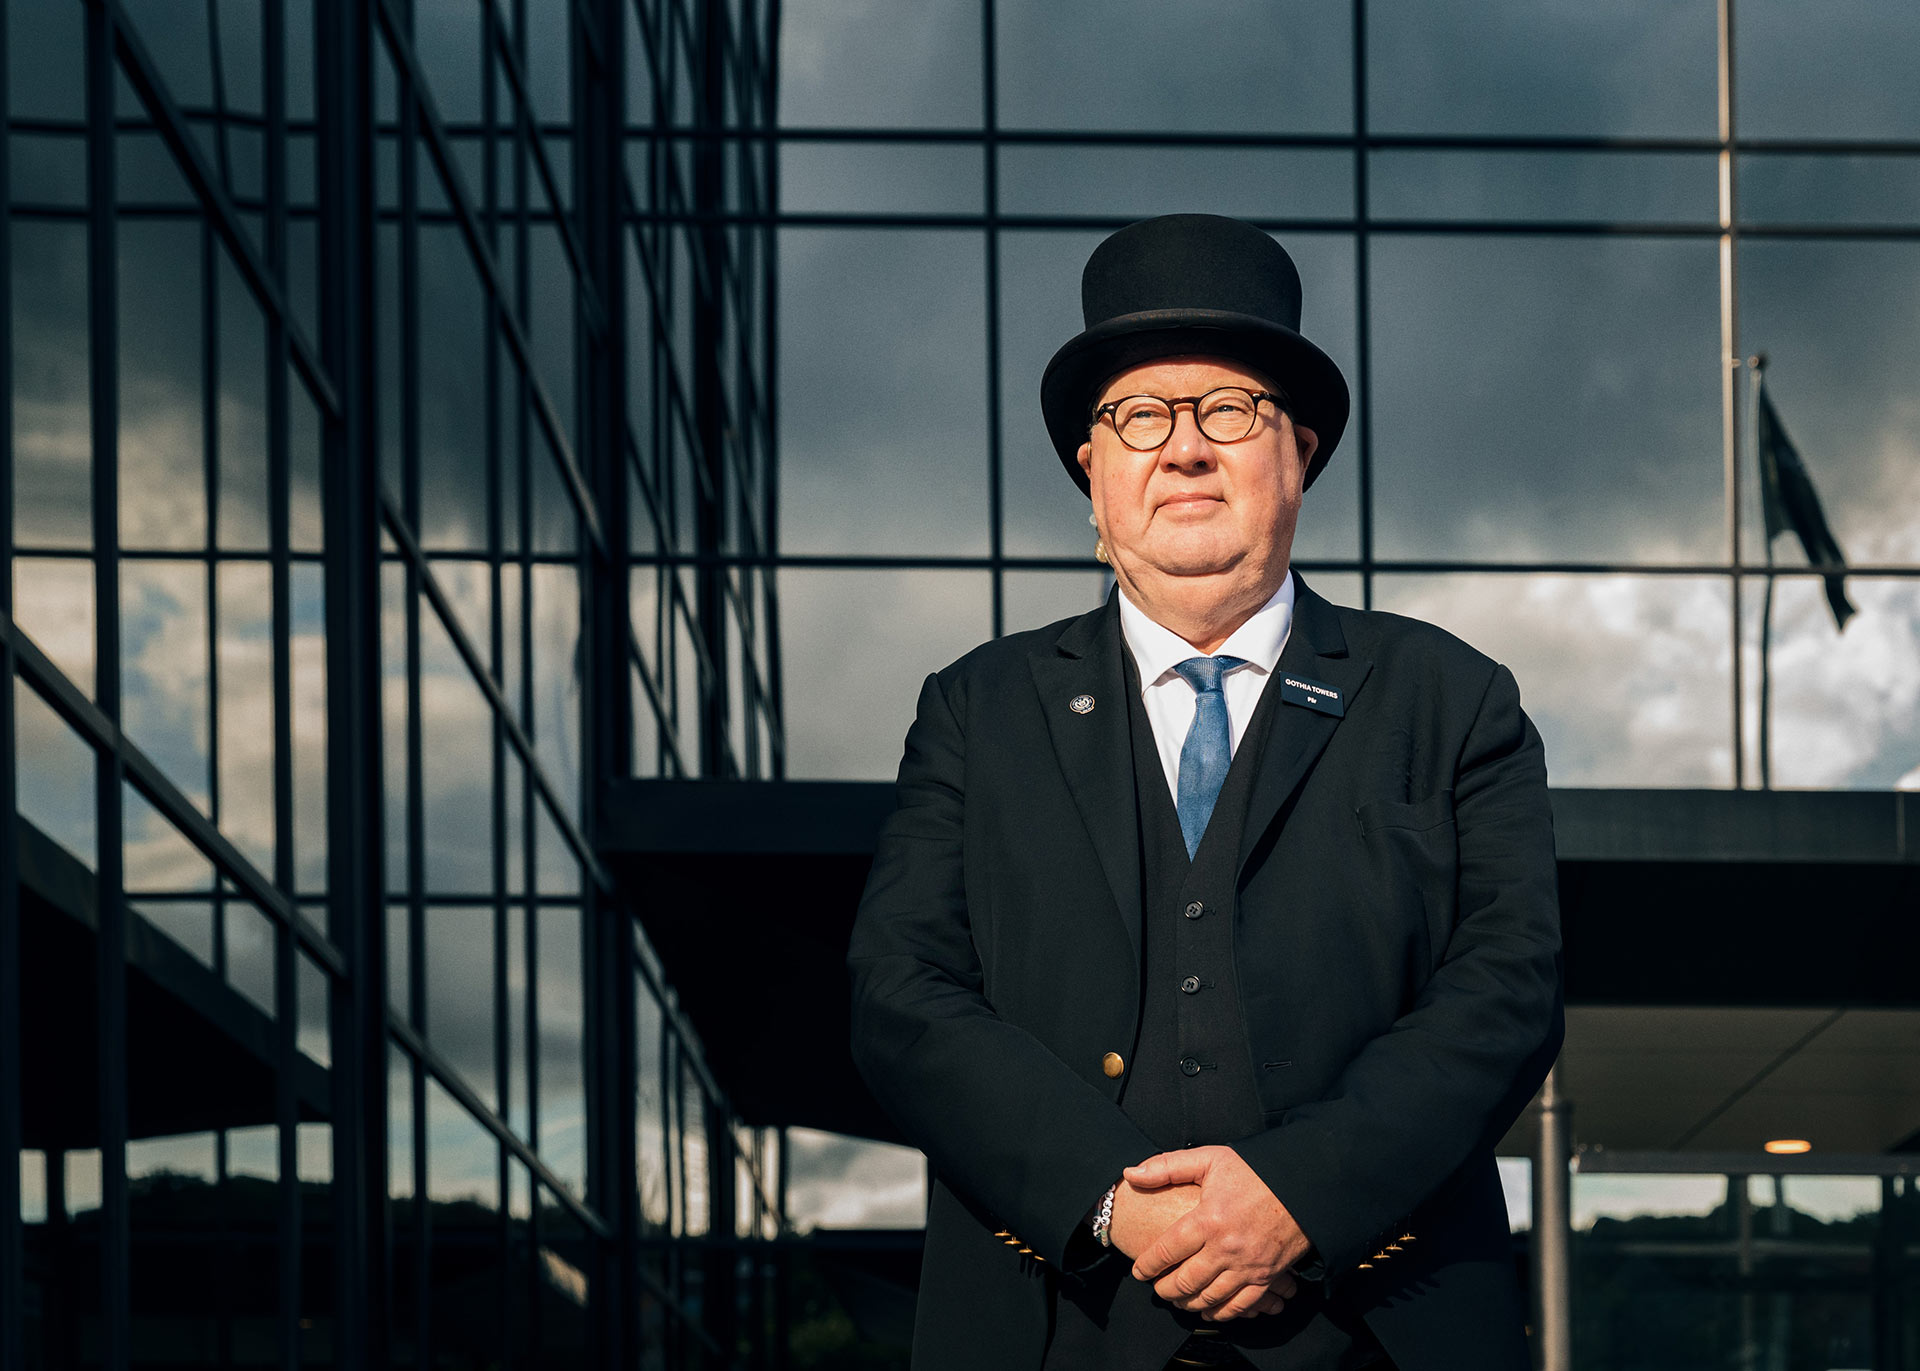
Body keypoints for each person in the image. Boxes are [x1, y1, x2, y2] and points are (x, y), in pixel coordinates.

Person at [848, 213, 1563, 1371]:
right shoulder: (976, 709)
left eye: (1229, 410)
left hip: (1380, 1335)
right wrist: (1113, 1203)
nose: (1183, 449)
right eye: (1138, 416)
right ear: (1094, 473)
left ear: (1301, 453)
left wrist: (1296, 1198)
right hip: (1048, 1337)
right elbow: (901, 993)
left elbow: (1508, 988)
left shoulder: (1452, 698)